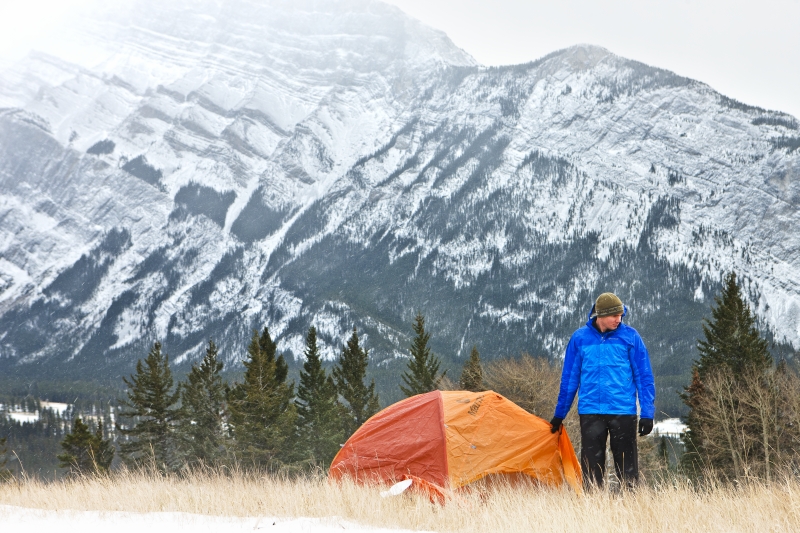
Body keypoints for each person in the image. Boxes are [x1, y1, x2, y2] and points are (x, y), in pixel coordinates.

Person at [550, 292, 655, 489]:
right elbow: (569, 380)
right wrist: (559, 414)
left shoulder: (630, 337)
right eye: (614, 315)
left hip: (623, 412)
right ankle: (593, 513)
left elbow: (644, 376)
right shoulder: (580, 338)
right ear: (600, 315)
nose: (619, 319)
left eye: (621, 315)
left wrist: (647, 413)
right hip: (591, 412)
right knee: (591, 472)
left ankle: (631, 512)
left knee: (627, 471)